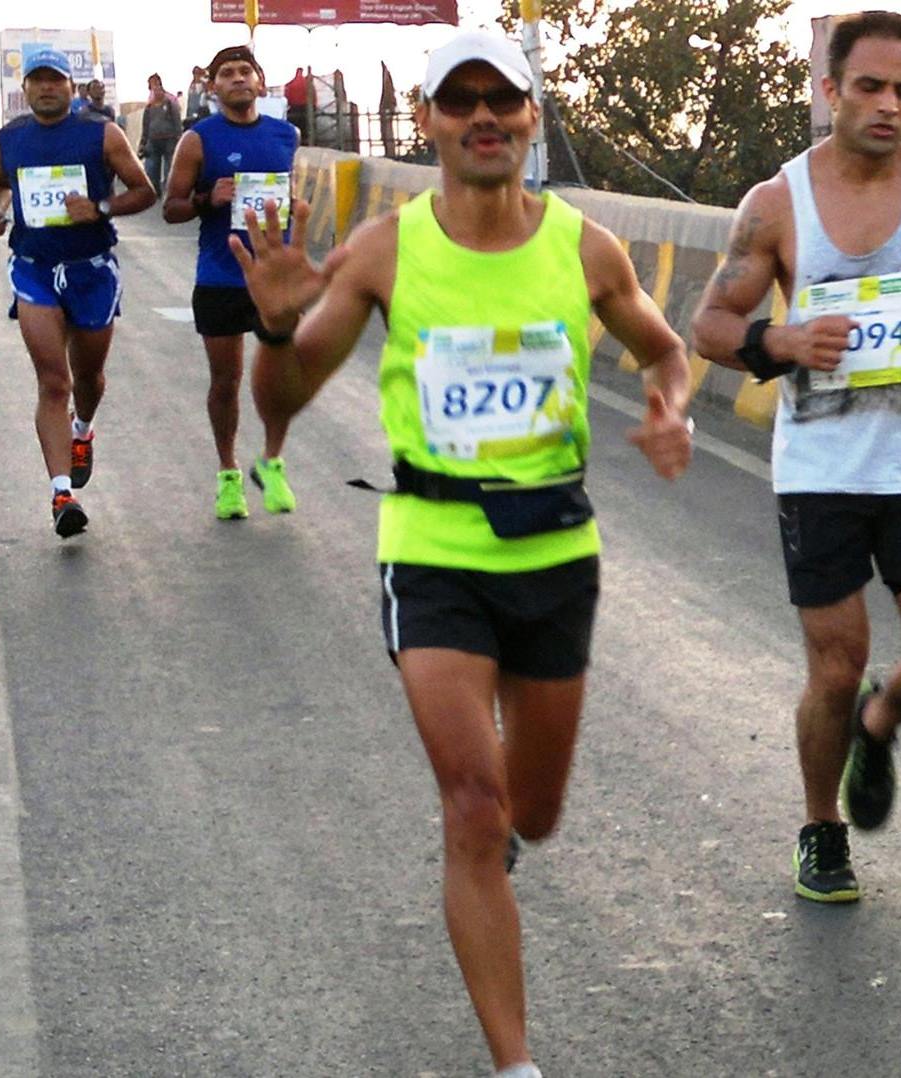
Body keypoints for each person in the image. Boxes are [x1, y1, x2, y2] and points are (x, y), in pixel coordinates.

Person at [231, 30, 692, 1076]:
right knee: (475, 810)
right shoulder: (384, 251)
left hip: (555, 549)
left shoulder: (585, 248)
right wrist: (277, 332)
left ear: (531, 116)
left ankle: (499, 843)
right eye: (460, 100)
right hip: (433, 548)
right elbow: (286, 400)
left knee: (534, 811)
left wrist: (672, 409)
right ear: (429, 122)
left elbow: (665, 350)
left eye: (502, 99)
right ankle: (515, 1063)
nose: (484, 115)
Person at [690, 11, 901, 903]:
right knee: (832, 667)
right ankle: (821, 830)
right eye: (869, 87)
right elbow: (709, 325)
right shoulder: (776, 204)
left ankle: (881, 718)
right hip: (822, 470)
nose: (888, 105)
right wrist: (782, 341)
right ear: (831, 90)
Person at [0, 48, 155, 537]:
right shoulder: (7, 139)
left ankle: (83, 429)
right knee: (53, 382)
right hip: (34, 269)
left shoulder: (102, 133)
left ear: (71, 88)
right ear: (25, 89)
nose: (46, 88)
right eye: (37, 80)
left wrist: (100, 208)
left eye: (55, 80)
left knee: (88, 378)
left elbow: (145, 191)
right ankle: (62, 495)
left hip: (91, 270)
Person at [161, 45, 302, 519]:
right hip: (221, 275)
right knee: (226, 381)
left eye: (246, 71)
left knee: (282, 375)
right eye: (227, 73)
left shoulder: (286, 134)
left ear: (260, 81)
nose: (238, 79)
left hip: (274, 276)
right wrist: (208, 199)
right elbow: (171, 209)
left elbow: (288, 194)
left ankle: (272, 462)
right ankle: (228, 475)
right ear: (212, 86)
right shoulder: (198, 140)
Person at [141, 74, 181, 193]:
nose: (155, 90)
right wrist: (143, 142)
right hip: (153, 140)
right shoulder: (149, 106)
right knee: (152, 169)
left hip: (169, 139)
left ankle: (169, 192)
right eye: (153, 87)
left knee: (169, 168)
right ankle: (154, 192)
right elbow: (145, 125)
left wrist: (179, 137)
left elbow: (177, 120)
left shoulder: (170, 102)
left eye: (157, 87)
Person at [283, 66, 310, 143]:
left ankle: (295, 140)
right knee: (305, 126)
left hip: (293, 107)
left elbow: (287, 95)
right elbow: (312, 96)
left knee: (294, 126)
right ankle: (305, 140)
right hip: (305, 107)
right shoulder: (306, 81)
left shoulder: (290, 82)